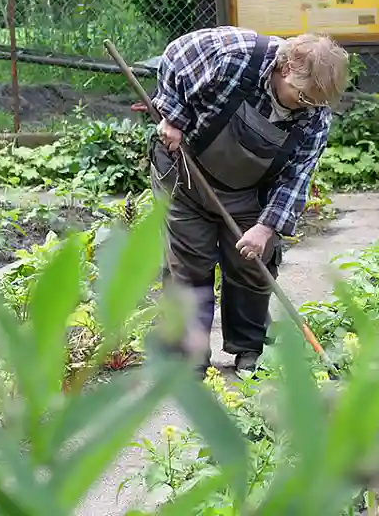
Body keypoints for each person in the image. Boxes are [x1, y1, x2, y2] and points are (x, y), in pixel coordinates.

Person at [141, 27, 349, 373]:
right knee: (189, 264)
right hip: (185, 170)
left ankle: (249, 349)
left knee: (253, 265)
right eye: (302, 96)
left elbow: (296, 178)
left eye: (316, 101)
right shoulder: (237, 56)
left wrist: (266, 228)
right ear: (284, 70)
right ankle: (187, 358)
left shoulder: (314, 117)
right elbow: (176, 53)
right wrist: (172, 117)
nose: (308, 106)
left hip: (247, 189)